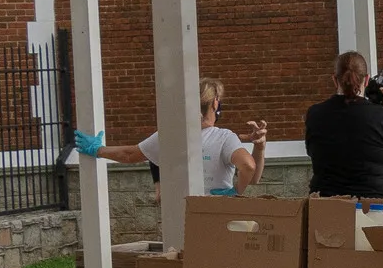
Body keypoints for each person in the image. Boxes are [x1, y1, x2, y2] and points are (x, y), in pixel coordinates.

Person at [73, 77, 266, 197]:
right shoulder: (224, 138)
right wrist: (236, 192)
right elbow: (249, 169)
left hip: (183, 214)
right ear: (215, 104)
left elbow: (129, 154)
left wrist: (96, 149)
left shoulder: (169, 135)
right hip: (216, 214)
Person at [306, 51, 383, 197]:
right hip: (373, 207)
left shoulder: (314, 114)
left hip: (327, 205)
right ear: (366, 80)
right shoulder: (379, 115)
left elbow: (312, 151)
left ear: (335, 80)